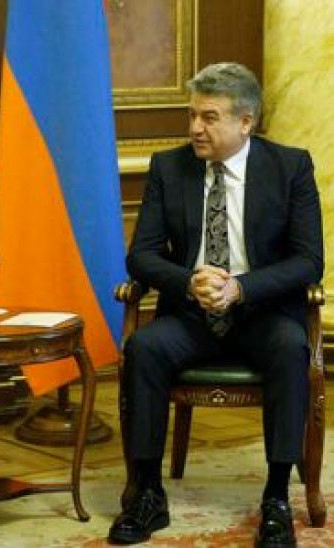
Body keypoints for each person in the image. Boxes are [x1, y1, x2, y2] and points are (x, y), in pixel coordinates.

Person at [107, 63, 323, 547]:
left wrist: (240, 289)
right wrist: (191, 283)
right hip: (192, 314)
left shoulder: (290, 167)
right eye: (191, 115)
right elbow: (141, 255)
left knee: (291, 349)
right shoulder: (170, 167)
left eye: (209, 117)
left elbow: (309, 260)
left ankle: (276, 498)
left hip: (263, 313)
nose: (195, 128)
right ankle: (147, 493)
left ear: (246, 122)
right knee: (143, 348)